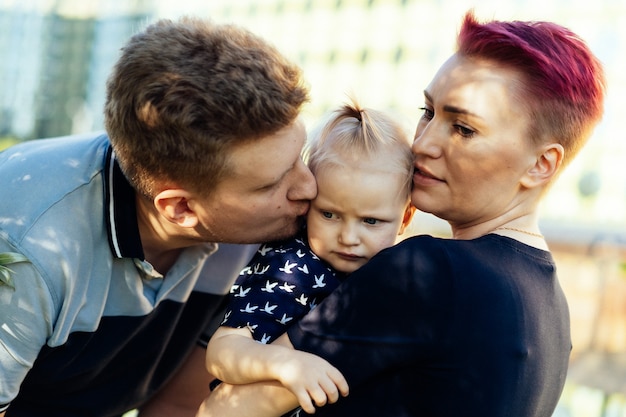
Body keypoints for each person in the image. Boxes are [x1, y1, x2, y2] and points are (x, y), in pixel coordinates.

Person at [197, 10, 606, 417]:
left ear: (541, 165)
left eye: (464, 129)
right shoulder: (555, 315)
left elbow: (222, 412)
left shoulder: (427, 272)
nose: (424, 143)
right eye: (427, 112)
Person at [0, 17, 317, 417]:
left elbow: (179, 405)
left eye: (300, 158)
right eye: (272, 184)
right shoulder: (26, 243)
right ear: (181, 208)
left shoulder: (265, 227)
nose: (309, 188)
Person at [205, 101, 416, 414]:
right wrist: (287, 363)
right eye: (329, 214)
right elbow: (222, 352)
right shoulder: (291, 268)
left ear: (405, 219)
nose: (348, 237)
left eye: (370, 221)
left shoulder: (395, 274)